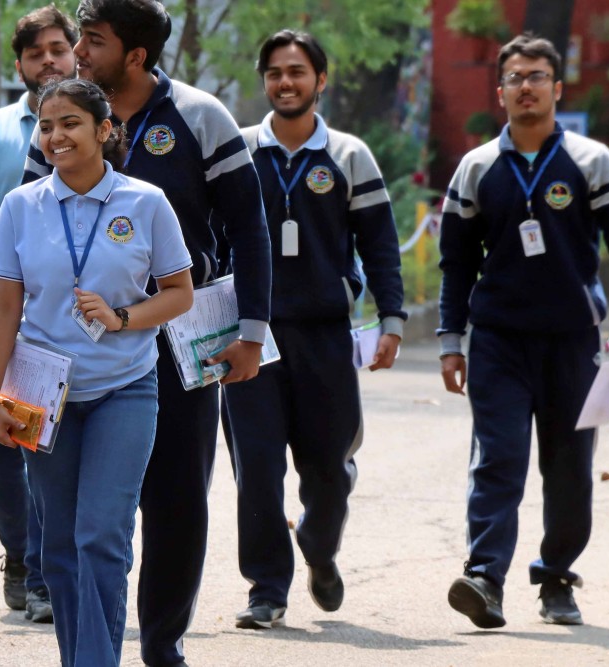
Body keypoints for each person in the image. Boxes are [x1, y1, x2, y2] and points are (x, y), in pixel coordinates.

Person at [23, 2, 272, 664]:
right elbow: (24, 235)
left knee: (176, 500)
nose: (76, 49)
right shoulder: (59, 119)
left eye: (93, 41)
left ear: (135, 56)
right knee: (77, 519)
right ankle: (87, 649)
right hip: (68, 348)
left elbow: (250, 228)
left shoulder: (200, 116)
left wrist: (251, 333)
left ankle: (163, 644)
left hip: (177, 340)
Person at [438, 33, 609, 629]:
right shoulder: (476, 168)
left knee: (568, 468)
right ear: (500, 89)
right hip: (499, 341)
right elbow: (456, 264)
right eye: (514, 77)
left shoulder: (591, 161)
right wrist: (452, 342)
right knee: (497, 460)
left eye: (536, 77)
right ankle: (485, 578)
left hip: (574, 343)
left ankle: (557, 576)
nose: (524, 86)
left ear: (557, 89)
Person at [0, 77, 194, 667]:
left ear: (105, 130)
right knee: (57, 547)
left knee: (101, 535)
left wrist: (124, 316)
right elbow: (4, 307)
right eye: (47, 126)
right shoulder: (20, 206)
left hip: (125, 387)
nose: (56, 136)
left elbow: (179, 293)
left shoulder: (146, 202)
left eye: (71, 122)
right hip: (39, 391)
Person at [222, 30, 406, 629]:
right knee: (256, 469)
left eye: (298, 71)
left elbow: (380, 247)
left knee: (328, 466)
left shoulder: (349, 156)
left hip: (327, 336)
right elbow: (211, 237)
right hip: (252, 337)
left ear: (320, 81)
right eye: (275, 72)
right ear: (264, 80)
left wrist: (392, 320)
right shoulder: (239, 152)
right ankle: (266, 589)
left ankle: (320, 551)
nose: (286, 82)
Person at [0, 3, 77, 623]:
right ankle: (20, 554)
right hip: (1, 322)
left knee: (55, 449)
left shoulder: (97, 126)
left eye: (58, 48)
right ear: (21, 65)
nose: (48, 60)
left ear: (75, 53)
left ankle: (49, 570)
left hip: (71, 326)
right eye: (35, 53)